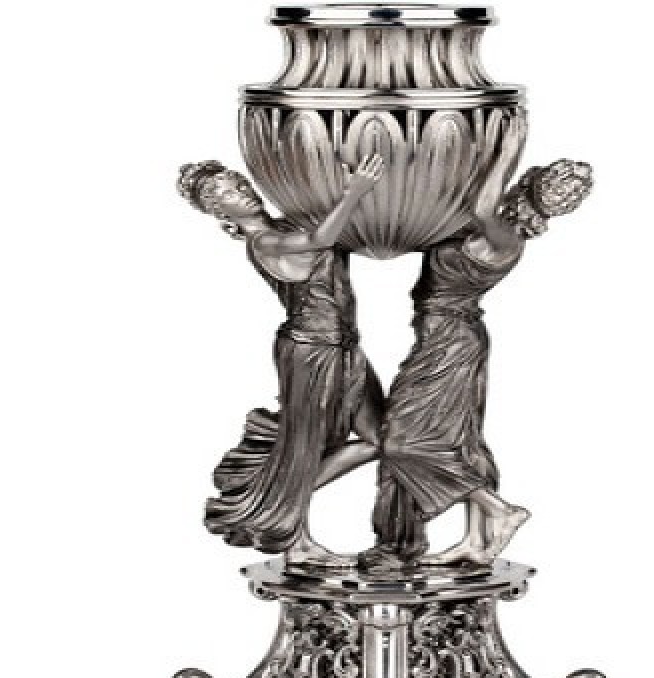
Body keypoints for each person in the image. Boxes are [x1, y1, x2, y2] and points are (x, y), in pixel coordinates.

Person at [364, 116, 594, 569]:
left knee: (400, 442)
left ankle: (498, 510)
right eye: (556, 185)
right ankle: (475, 536)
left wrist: (508, 150)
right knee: (460, 440)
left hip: (452, 342)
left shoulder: (505, 237)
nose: (559, 195)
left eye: (565, 195)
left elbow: (484, 205)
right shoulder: (478, 229)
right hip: (442, 336)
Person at [177, 155, 385, 566]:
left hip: (344, 345)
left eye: (238, 183)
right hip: (311, 351)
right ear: (220, 213)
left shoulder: (287, 225)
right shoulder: (265, 242)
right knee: (304, 446)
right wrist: (355, 192)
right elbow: (322, 239)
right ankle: (294, 535)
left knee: (378, 439)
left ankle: (278, 505)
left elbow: (336, 235)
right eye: (225, 193)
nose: (241, 191)